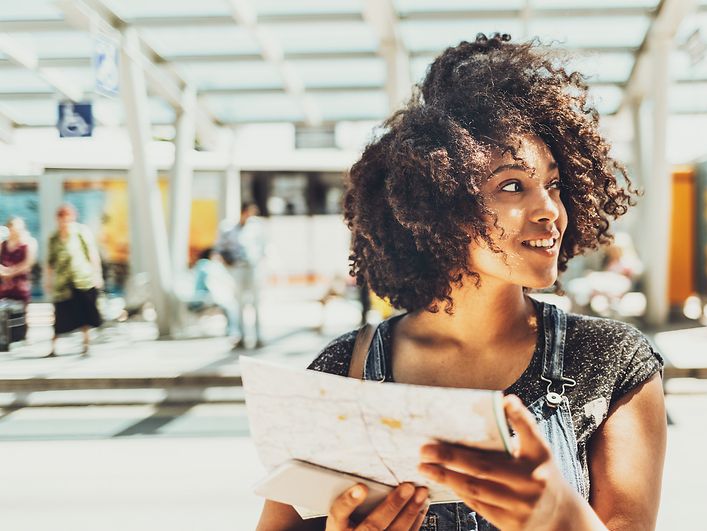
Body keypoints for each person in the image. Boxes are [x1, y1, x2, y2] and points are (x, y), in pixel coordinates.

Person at [257, 34, 666, 531]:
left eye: (553, 184)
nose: (550, 210)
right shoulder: (345, 373)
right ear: (441, 206)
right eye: (512, 186)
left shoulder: (610, 360)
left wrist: (561, 517)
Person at [44, 204, 103, 357]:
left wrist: (97, 274)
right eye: (62, 219)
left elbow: (92, 254)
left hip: (82, 278)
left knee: (84, 312)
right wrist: (48, 280)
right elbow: (50, 262)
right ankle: (54, 346)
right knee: (60, 314)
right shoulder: (54, 238)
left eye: (67, 219)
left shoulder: (81, 232)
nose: (65, 223)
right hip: (63, 282)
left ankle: (86, 343)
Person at [217, 202, 265, 349]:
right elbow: (220, 247)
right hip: (237, 268)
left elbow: (263, 247)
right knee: (239, 303)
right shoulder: (228, 227)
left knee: (256, 303)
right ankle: (241, 336)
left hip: (253, 268)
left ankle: (258, 336)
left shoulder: (256, 227)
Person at [0, 217, 37, 343]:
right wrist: (3, 272)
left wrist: (11, 272)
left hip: (20, 284)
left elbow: (28, 263)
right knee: (3, 310)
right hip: (5, 284)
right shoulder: (3, 244)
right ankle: (5, 336)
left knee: (23, 310)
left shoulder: (28, 243)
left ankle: (22, 335)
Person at [188, 248, 239, 339]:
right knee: (231, 305)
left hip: (203, 296)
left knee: (231, 305)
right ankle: (233, 331)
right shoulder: (207, 265)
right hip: (204, 297)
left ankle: (232, 331)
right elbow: (212, 283)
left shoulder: (203, 265)